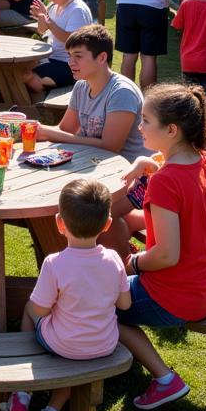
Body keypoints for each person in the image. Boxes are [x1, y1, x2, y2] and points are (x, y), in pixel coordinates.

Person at [116, 84, 206, 409]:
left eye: (146, 121)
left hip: (174, 296)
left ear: (171, 129)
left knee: (99, 303)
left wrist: (132, 263)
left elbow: (166, 255)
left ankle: (164, 378)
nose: (140, 127)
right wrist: (147, 162)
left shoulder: (165, 182)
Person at [0, 179, 131, 411]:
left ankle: (22, 394)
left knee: (28, 309)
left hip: (62, 344)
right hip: (103, 345)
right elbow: (125, 304)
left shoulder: (54, 263)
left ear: (60, 223)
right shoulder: (115, 260)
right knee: (79, 361)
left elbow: (39, 310)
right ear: (107, 224)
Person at [37, 25, 151, 258]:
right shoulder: (81, 86)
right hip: (101, 171)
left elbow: (112, 145)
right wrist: (32, 129)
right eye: (69, 56)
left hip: (138, 176)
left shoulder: (121, 92)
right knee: (65, 203)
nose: (70, 62)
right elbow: (65, 130)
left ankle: (123, 267)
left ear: (102, 58)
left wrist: (48, 133)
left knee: (95, 213)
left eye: (78, 56)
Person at [23, 0, 93, 95]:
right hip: (53, 58)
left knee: (26, 76)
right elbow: (41, 30)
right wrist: (41, 16)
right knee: (18, 69)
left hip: (72, 65)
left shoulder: (77, 10)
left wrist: (48, 20)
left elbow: (70, 41)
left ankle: (40, 102)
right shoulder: (55, 5)